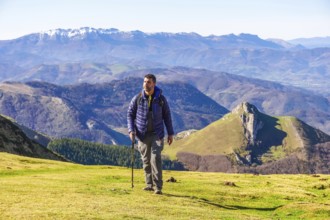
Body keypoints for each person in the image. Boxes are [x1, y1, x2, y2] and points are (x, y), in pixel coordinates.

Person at [127, 74, 174, 195]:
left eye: (148, 82)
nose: (145, 84)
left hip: (156, 134)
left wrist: (170, 133)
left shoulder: (161, 99)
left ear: (154, 84)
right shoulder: (137, 98)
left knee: (155, 158)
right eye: (144, 82)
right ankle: (149, 184)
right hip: (142, 135)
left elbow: (167, 116)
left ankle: (158, 187)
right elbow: (130, 115)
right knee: (146, 160)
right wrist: (131, 130)